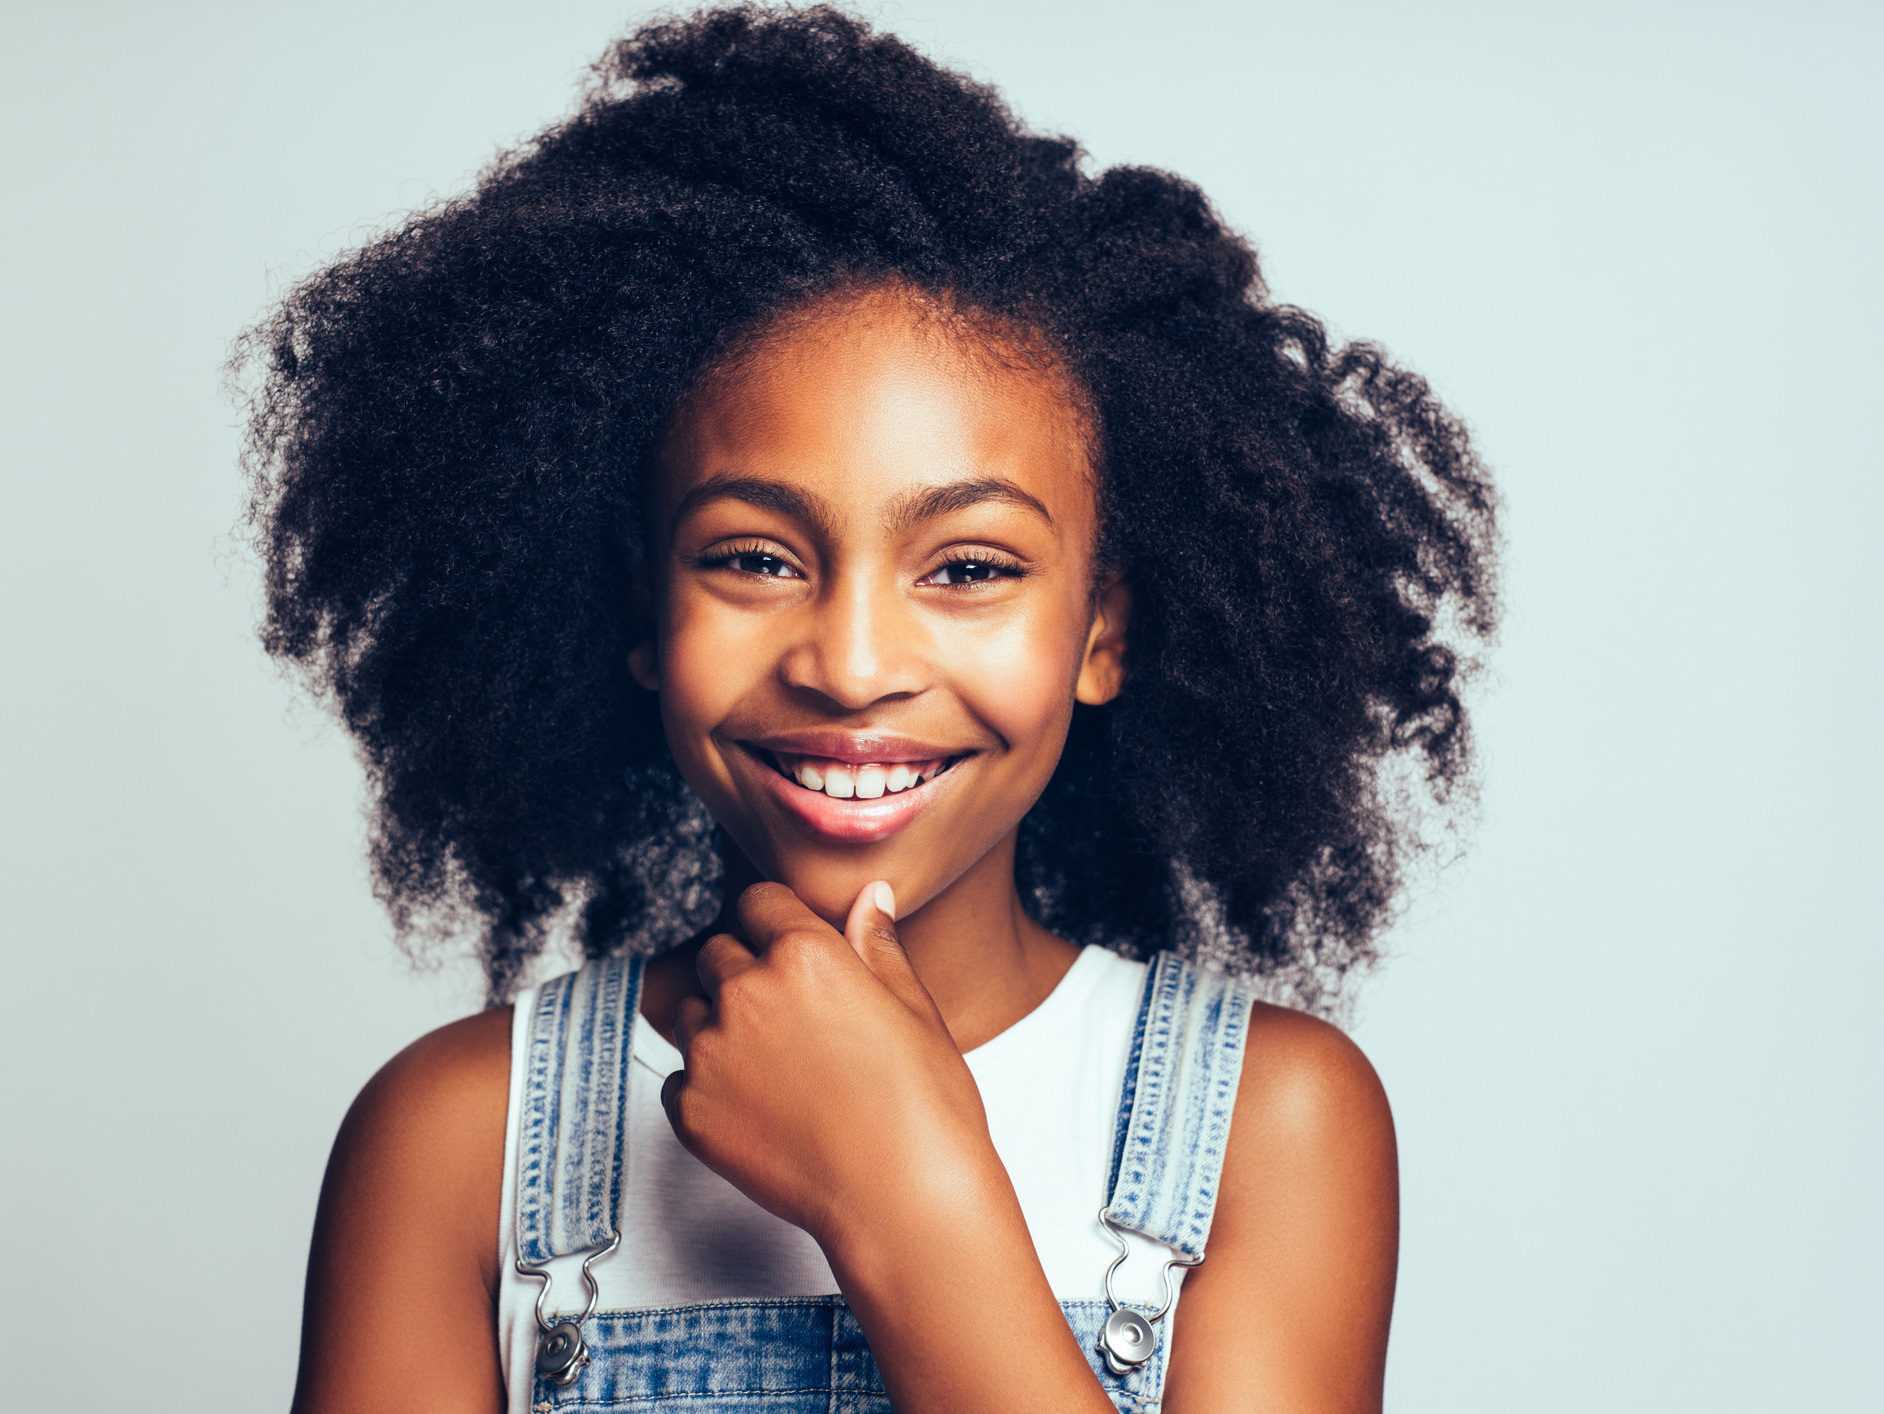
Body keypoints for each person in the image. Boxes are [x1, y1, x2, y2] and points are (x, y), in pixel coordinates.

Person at [235, 6, 1497, 1411]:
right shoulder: (459, 1139)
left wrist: (906, 1192)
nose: (846, 662)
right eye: (753, 559)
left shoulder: (1267, 1125)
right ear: (644, 614)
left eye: (966, 566)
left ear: (1104, 628)